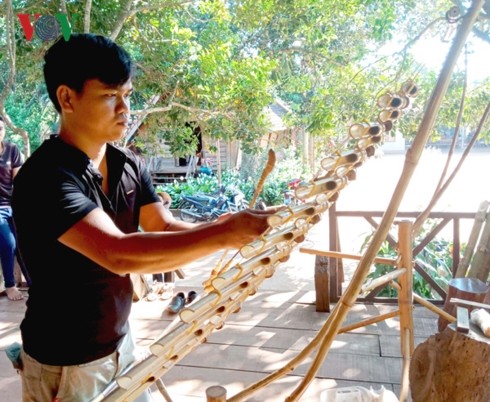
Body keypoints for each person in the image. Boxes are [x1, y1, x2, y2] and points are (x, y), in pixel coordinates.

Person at [12, 33, 274, 402]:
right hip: (66, 363)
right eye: (109, 96)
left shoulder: (126, 163)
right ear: (67, 98)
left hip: (120, 343)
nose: (124, 108)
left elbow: (162, 226)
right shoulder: (47, 177)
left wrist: (221, 228)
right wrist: (224, 235)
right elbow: (118, 254)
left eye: (127, 95)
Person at [0, 115, 26, 301]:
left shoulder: (11, 149)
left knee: (30, 238)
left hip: (13, 205)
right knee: (9, 243)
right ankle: (10, 285)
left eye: (1, 129)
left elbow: (20, 181)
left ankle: (37, 283)